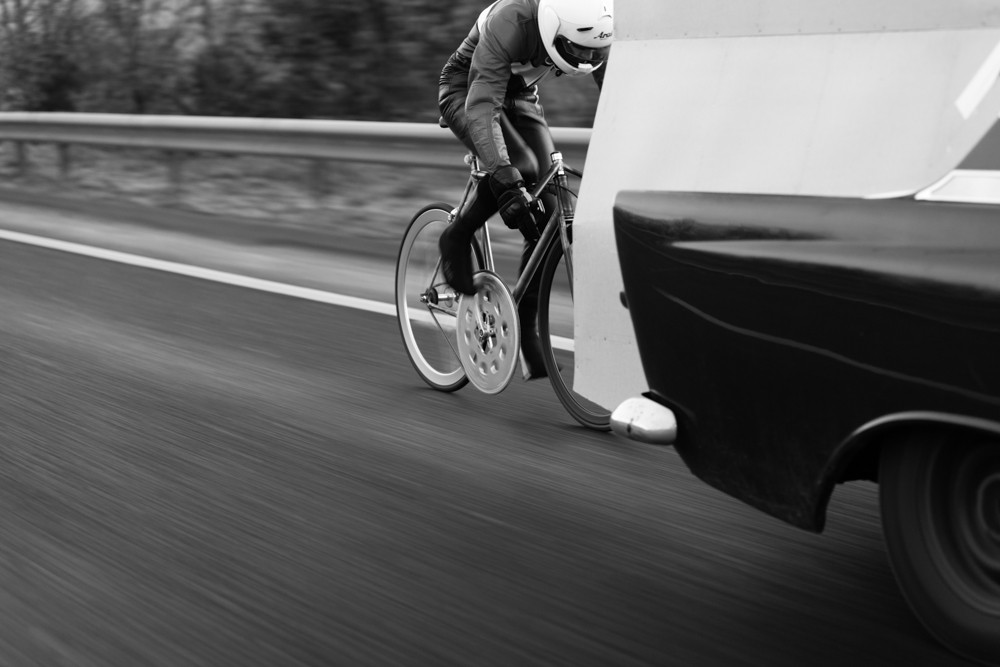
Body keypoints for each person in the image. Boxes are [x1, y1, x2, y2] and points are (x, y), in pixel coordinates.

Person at [437, 0, 613, 379]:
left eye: (593, 53)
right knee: (523, 168)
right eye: (577, 49)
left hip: (520, 95)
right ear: (551, 27)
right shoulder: (512, 19)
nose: (586, 59)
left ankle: (526, 330)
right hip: (467, 88)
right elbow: (482, 104)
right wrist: (505, 178)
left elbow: (617, 96)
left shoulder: (595, 27)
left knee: (552, 215)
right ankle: (457, 234)